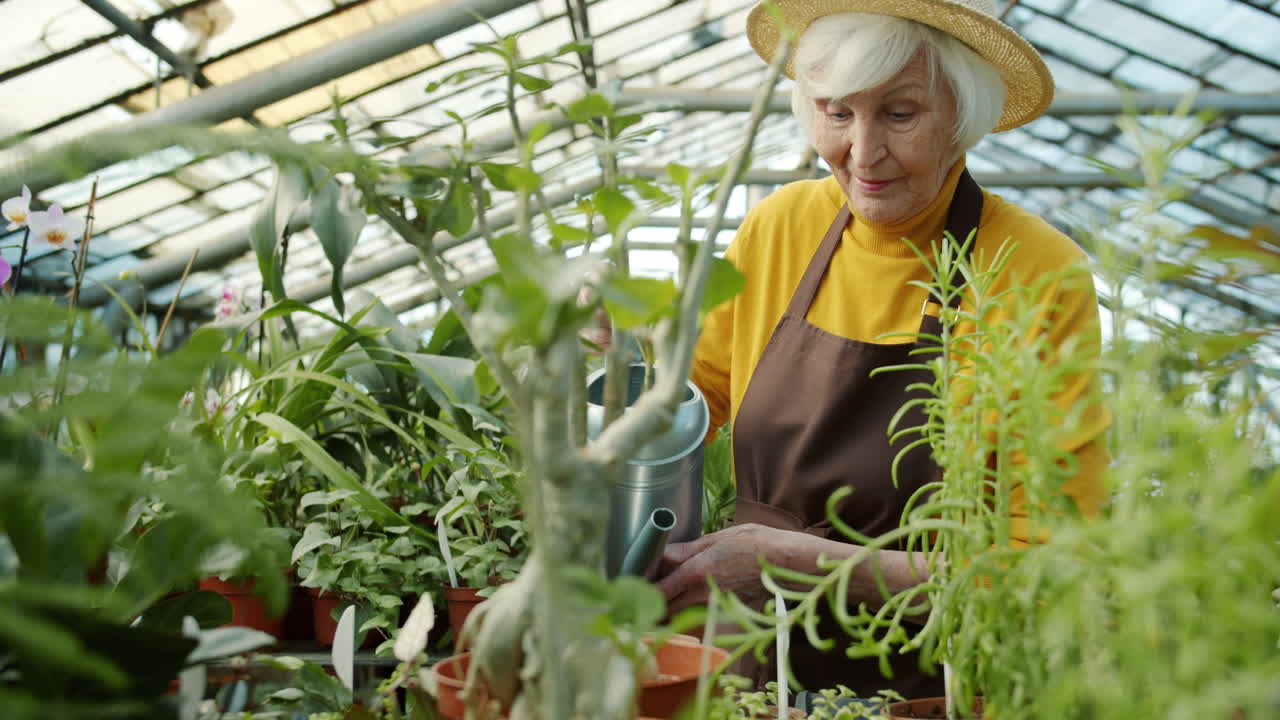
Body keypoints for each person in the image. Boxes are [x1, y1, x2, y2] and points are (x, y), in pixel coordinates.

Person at [651, 0, 1112, 700]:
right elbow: (685, 407)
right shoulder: (780, 228)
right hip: (753, 674)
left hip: (937, 682)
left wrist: (791, 561)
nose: (862, 154)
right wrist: (623, 359)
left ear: (963, 115)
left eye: (899, 115)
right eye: (837, 113)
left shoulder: (1037, 272)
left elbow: (1044, 568)